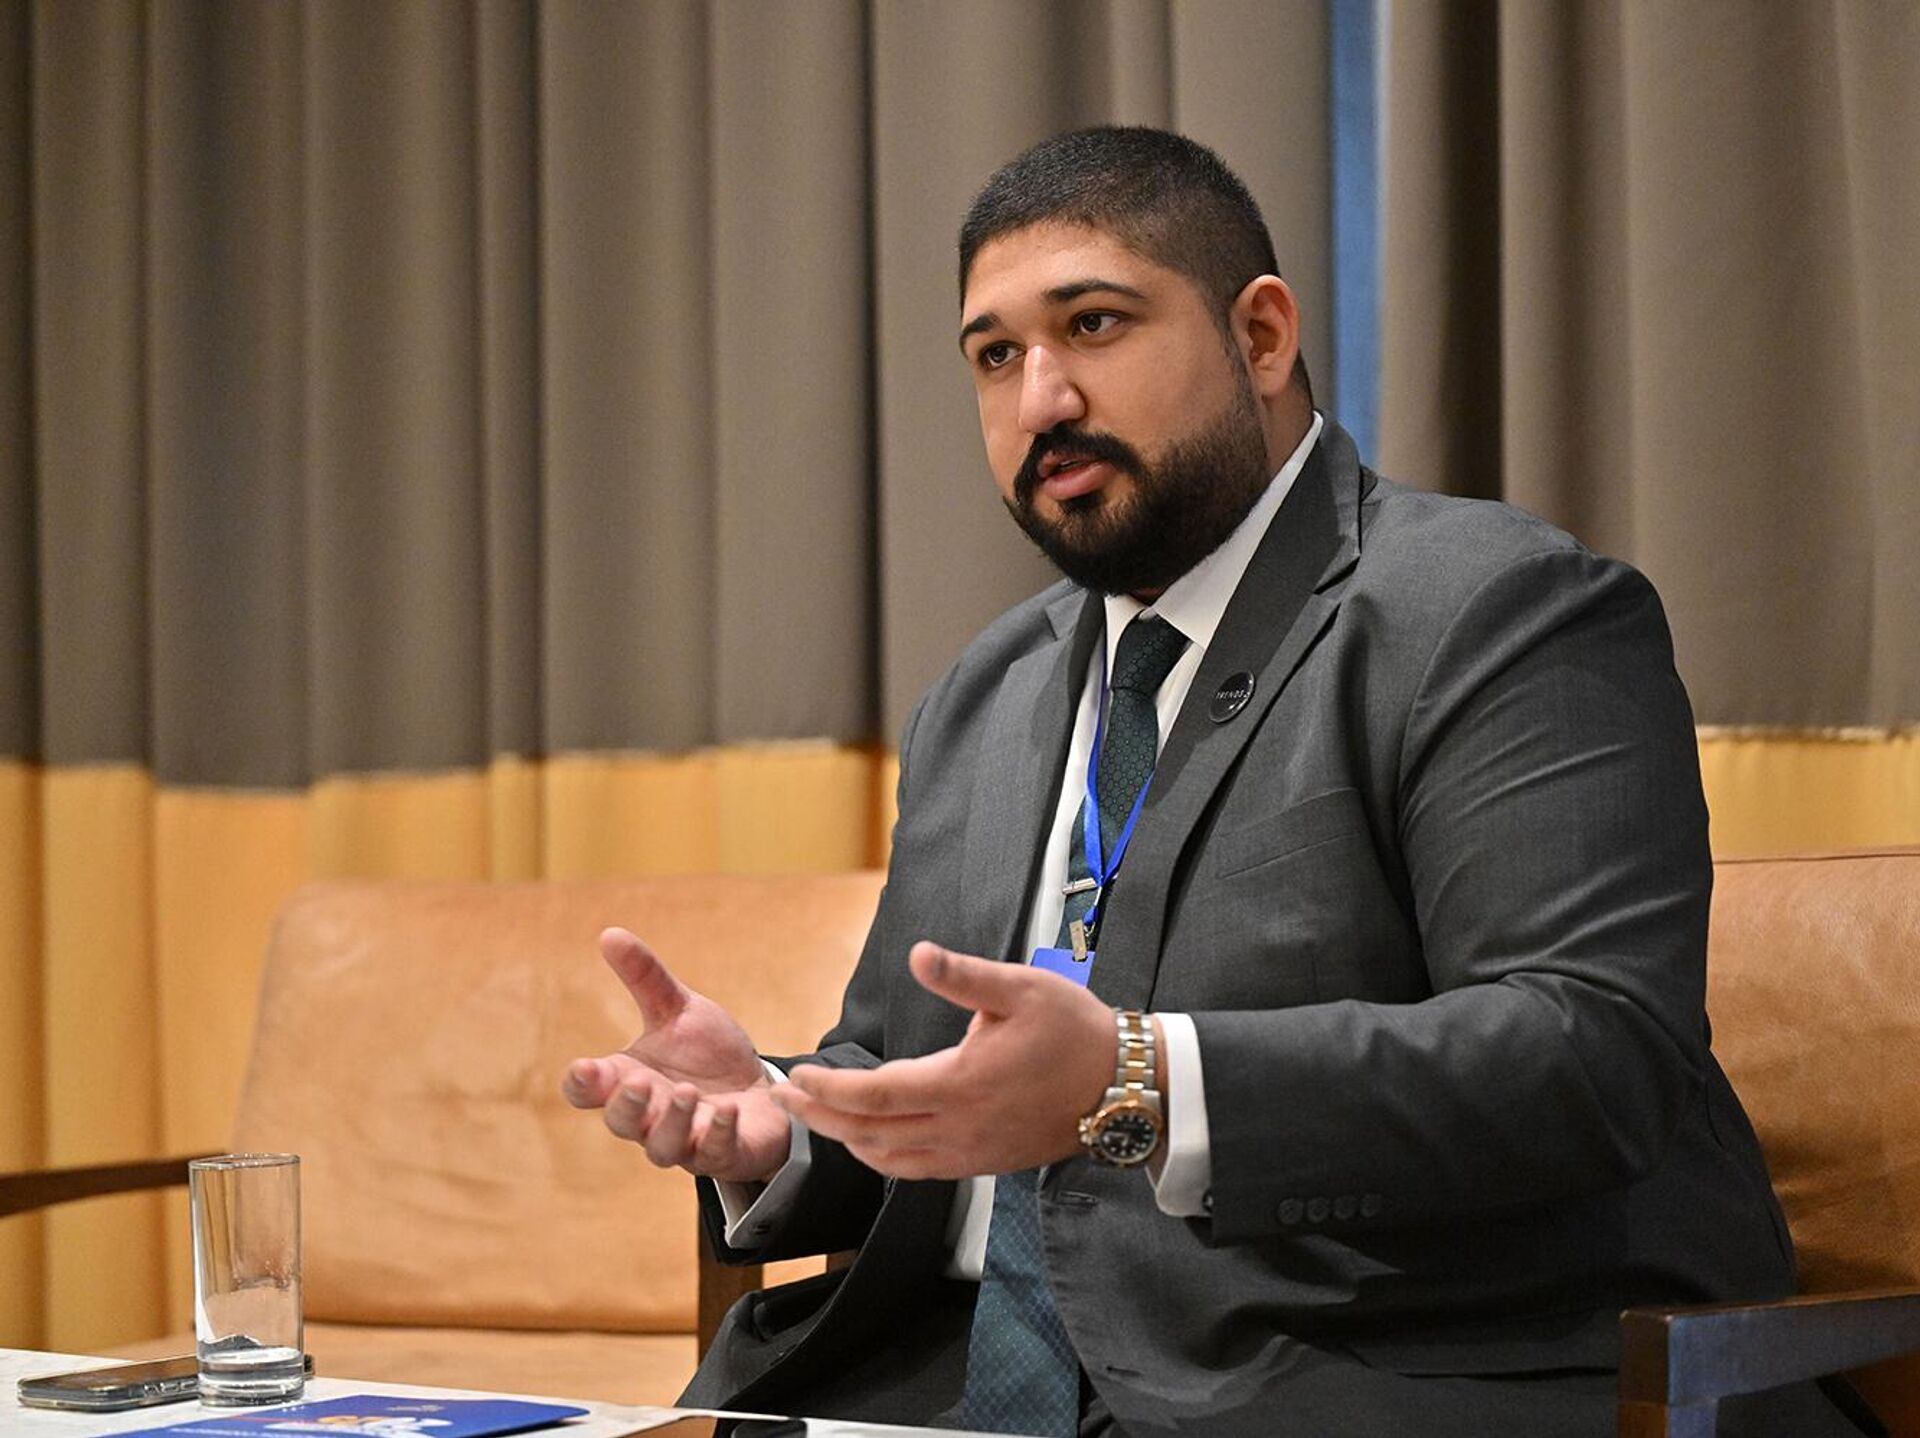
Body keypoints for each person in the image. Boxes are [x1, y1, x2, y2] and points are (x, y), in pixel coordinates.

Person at [563, 128, 1866, 1437]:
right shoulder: (986, 690)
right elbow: (925, 1078)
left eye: (1093, 324)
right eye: (996, 356)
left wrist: (1133, 1078)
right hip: (935, 1386)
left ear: (1262, 336)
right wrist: (783, 1123)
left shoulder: (1495, 610)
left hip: (1345, 1377)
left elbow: (1591, 1055)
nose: (1041, 401)